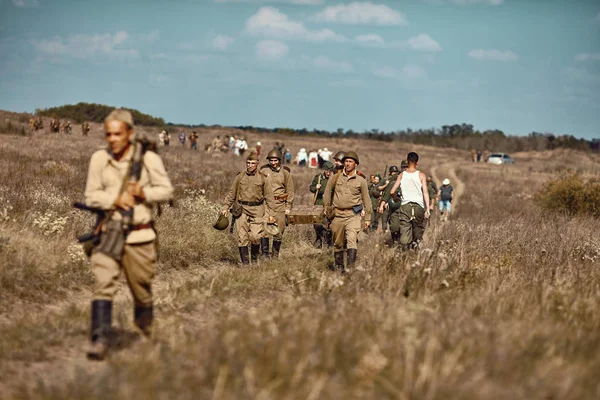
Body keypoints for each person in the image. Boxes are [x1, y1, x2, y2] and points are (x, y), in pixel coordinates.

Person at [83, 109, 174, 360]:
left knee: (141, 289)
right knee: (102, 284)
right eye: (108, 134)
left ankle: (146, 331)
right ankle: (100, 339)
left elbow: (166, 191)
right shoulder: (99, 159)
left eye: (117, 134)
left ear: (130, 134)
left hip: (140, 237)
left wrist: (144, 194)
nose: (112, 139)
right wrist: (115, 199)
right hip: (109, 233)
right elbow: (91, 196)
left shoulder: (148, 159)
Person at [323, 151, 371, 273]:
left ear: (356, 164)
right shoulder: (335, 177)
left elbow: (367, 199)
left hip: (353, 215)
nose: (348, 164)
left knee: (351, 239)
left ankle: (350, 270)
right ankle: (339, 269)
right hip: (337, 215)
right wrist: (326, 209)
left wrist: (368, 218)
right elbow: (327, 193)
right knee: (338, 243)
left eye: (350, 161)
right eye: (346, 161)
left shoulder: (361, 180)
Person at [221, 152, 268, 264]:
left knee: (256, 237)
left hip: (257, 210)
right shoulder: (240, 176)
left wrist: (269, 214)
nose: (250, 165)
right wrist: (225, 207)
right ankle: (246, 265)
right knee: (242, 238)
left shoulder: (263, 178)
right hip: (241, 210)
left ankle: (254, 260)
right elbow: (232, 193)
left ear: (257, 164)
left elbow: (269, 197)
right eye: (248, 163)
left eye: (252, 163)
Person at [388, 152, 430, 251]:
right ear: (417, 163)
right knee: (417, 230)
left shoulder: (402, 175)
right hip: (418, 207)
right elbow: (425, 192)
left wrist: (395, 198)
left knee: (405, 231)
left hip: (405, 206)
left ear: (407, 162)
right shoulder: (421, 175)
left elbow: (392, 191)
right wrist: (427, 208)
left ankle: (405, 254)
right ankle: (416, 250)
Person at [261, 149, 294, 258]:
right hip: (266, 204)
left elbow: (290, 190)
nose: (273, 163)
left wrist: (288, 206)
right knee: (264, 230)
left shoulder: (285, 173)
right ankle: (265, 256)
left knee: (279, 232)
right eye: (271, 160)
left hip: (280, 204)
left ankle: (275, 256)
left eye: (275, 160)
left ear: (279, 160)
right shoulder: (263, 170)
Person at [309, 161, 335, 248]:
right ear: (324, 170)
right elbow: (311, 188)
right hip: (319, 203)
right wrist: (315, 187)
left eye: (330, 171)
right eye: (327, 171)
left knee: (329, 224)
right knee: (317, 223)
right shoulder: (319, 178)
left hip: (330, 204)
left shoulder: (334, 178)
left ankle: (329, 242)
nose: (328, 173)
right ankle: (319, 240)